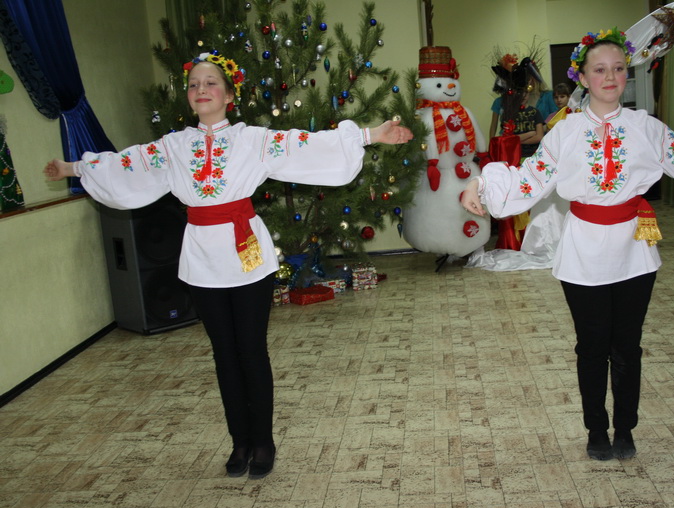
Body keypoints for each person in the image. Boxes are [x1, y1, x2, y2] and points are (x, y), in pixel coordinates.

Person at [44, 52, 413, 478]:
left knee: (251, 350)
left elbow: (306, 145)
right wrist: (73, 167)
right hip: (202, 259)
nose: (201, 90)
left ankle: (263, 442)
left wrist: (370, 134)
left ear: (229, 95)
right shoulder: (173, 147)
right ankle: (240, 442)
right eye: (194, 85)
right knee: (223, 354)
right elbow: (128, 164)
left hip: (247, 255)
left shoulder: (251, 140)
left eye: (211, 83)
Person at [461, 28, 674, 461]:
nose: (610, 77)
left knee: (627, 346)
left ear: (627, 73)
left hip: (634, 251)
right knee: (591, 347)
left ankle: (625, 429)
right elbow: (529, 179)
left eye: (619, 69)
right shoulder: (565, 134)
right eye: (599, 70)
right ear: (583, 78)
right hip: (582, 251)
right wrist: (480, 184)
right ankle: (595, 430)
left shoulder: (646, 128)